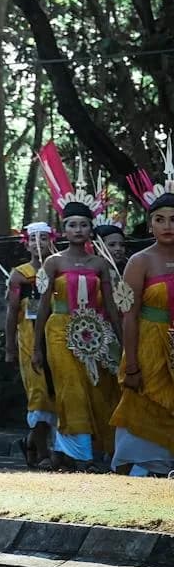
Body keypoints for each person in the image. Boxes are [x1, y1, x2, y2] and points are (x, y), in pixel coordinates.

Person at [33, 198, 122, 470]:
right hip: (60, 331)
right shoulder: (53, 262)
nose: (78, 230)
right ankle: (79, 455)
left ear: (90, 230)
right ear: (64, 230)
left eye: (84, 225)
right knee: (70, 387)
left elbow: (110, 306)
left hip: (95, 333)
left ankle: (83, 451)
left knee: (96, 388)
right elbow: (43, 307)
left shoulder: (99, 265)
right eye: (72, 225)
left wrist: (124, 341)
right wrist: (37, 348)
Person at [111, 183, 174, 476]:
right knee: (146, 404)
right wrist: (133, 365)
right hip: (150, 345)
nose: (167, 226)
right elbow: (129, 316)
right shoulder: (139, 262)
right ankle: (148, 468)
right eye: (160, 219)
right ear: (150, 224)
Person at [7, 226, 58, 467]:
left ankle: (32, 443)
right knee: (38, 396)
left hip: (57, 336)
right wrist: (9, 347)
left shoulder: (59, 268)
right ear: (26, 244)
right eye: (34, 239)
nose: (39, 244)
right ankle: (43, 451)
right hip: (29, 340)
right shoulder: (20, 275)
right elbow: (11, 312)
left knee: (58, 394)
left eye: (44, 238)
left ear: (52, 242)